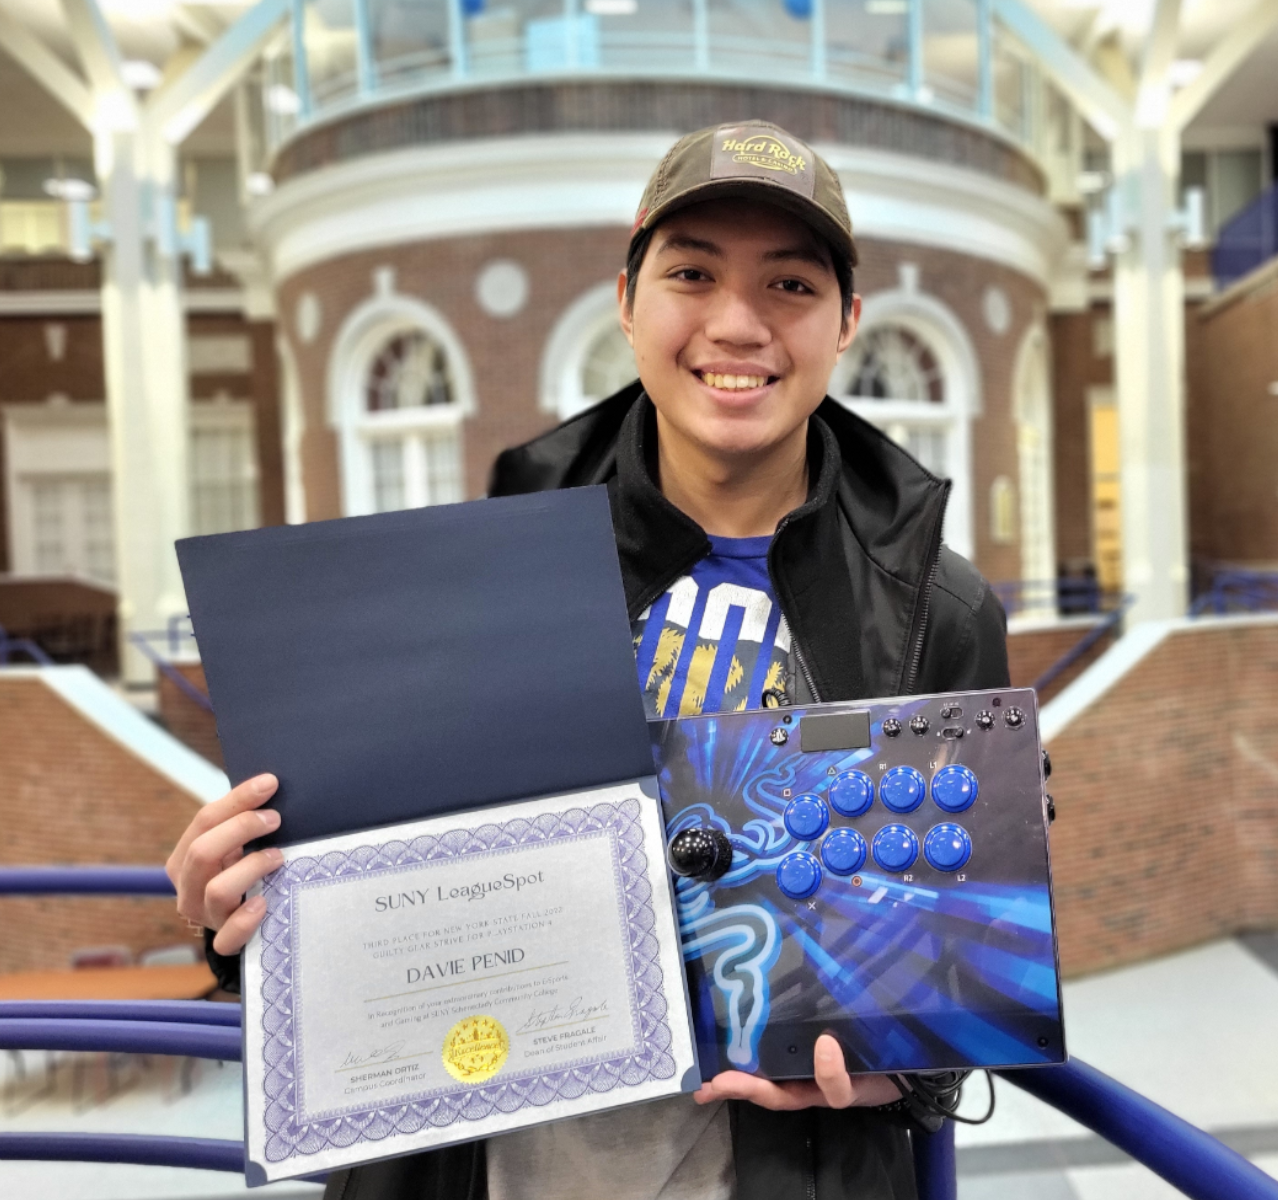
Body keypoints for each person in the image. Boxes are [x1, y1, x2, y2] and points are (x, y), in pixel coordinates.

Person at [165, 120, 1010, 1200]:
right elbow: (369, 904)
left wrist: (900, 1073)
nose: (737, 323)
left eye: (790, 285)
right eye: (692, 274)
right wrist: (239, 918)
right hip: (480, 1165)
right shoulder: (470, 575)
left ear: (847, 322)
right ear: (627, 301)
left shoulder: (935, 609)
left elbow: (974, 945)